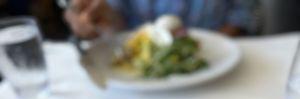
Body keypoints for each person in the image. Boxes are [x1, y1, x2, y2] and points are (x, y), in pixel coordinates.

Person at [65, 0, 262, 39]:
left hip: (219, 77)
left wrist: (203, 47)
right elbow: (116, 17)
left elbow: (243, 15)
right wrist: (93, 17)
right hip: (138, 79)